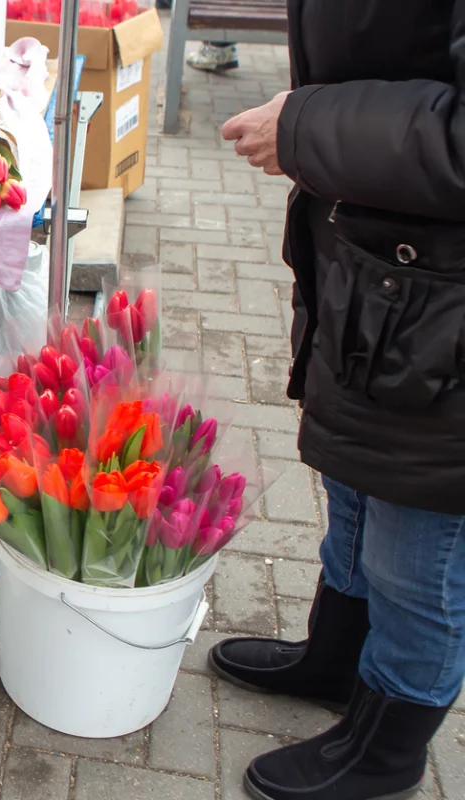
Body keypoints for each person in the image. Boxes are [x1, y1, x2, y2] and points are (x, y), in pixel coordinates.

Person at [215, 2, 464, 799]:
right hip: (385, 262)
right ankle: (339, 658)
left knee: (420, 542)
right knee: (355, 481)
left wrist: (306, 127)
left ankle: (389, 745)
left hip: (440, 299)